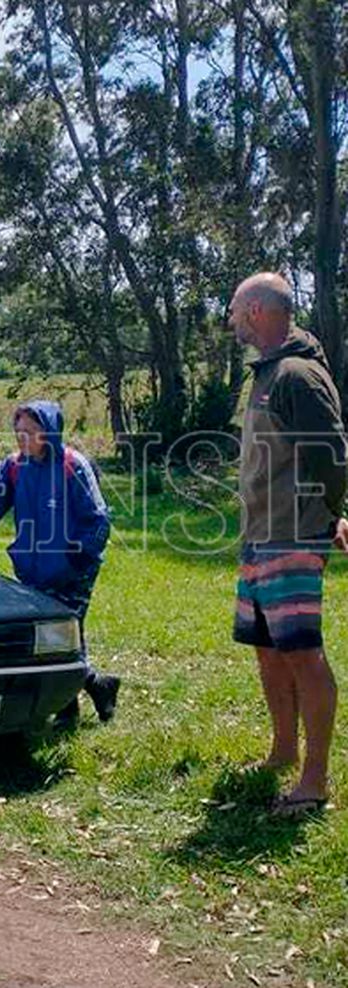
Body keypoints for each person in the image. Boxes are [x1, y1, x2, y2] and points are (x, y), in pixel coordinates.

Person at [228, 272, 348, 817]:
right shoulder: (267, 374)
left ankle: (314, 781)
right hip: (259, 536)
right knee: (268, 647)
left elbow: (332, 457)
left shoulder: (298, 374)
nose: (229, 319)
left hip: (292, 534)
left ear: (256, 311)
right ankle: (281, 752)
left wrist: (327, 520)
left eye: (234, 309)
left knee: (301, 651)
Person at [0, 400, 121, 724]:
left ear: (49, 432)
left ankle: (75, 700)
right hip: (33, 568)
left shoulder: (73, 466)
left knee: (58, 635)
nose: (23, 439)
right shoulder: (14, 467)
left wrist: (79, 556)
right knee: (49, 637)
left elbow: (98, 521)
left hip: (74, 570)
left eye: (31, 432)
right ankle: (91, 690)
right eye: (18, 432)